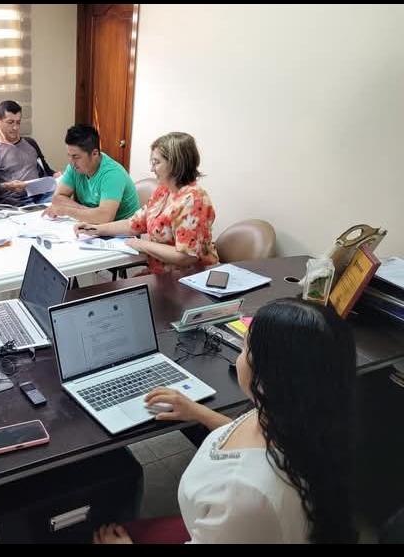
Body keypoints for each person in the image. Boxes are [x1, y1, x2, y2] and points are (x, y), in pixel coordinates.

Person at [94, 298, 358, 544]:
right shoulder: (302, 417)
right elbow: (243, 439)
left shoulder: (243, 495)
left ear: (267, 378)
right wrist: (196, 411)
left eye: (244, 348)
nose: (238, 356)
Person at [75, 132, 218, 274]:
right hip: (162, 273)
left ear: (175, 164)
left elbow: (185, 257)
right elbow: (133, 224)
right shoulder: (163, 191)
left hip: (187, 278)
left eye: (156, 162)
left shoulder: (194, 201)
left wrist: (142, 245)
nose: (152, 169)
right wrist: (95, 229)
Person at [43, 124, 140, 223]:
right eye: (69, 155)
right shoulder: (75, 167)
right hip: (93, 226)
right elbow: (57, 199)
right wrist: (89, 212)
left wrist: (66, 210)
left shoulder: (113, 173)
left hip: (121, 228)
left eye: (76, 157)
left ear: (95, 153)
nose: (71, 162)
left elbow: (104, 218)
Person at [0, 100, 59, 206]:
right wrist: (7, 186)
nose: (15, 127)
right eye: (10, 122)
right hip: (15, 200)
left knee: (63, 200)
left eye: (18, 122)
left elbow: (45, 169)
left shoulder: (30, 143)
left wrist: (55, 175)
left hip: (41, 195)